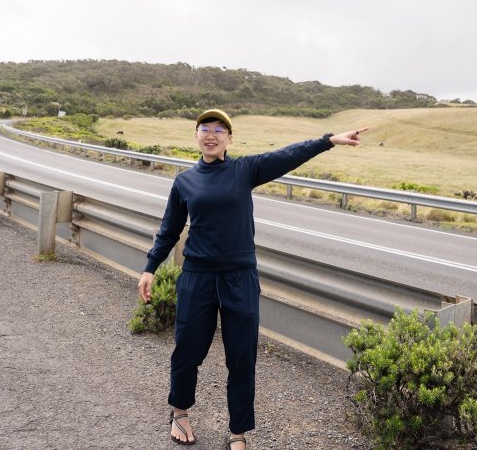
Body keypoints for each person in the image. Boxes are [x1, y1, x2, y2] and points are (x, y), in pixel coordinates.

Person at [137, 109, 368, 448]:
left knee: (242, 355)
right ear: (196, 136)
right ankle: (180, 412)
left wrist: (327, 141)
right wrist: (150, 268)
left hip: (239, 277)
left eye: (220, 129)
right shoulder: (184, 181)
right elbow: (169, 229)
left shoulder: (244, 170)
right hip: (197, 277)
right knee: (187, 350)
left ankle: (238, 433)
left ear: (230, 139)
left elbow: (286, 155)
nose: (211, 134)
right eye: (205, 129)